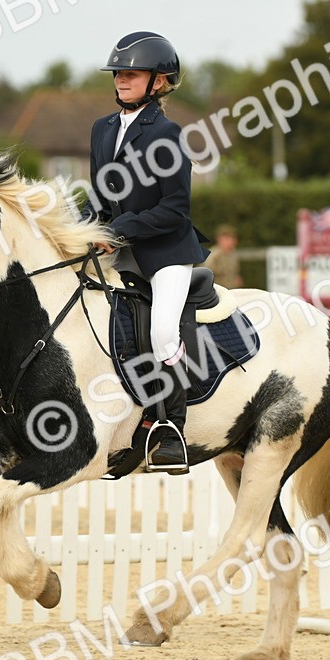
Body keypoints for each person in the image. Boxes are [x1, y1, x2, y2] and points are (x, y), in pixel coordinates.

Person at [85, 31, 209, 474]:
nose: (121, 79)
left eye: (131, 73)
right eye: (118, 72)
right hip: (121, 252)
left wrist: (118, 230)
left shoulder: (168, 134)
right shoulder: (102, 130)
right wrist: (78, 226)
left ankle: (170, 427)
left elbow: (175, 210)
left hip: (166, 254)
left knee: (162, 334)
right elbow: (101, 196)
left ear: (159, 81)